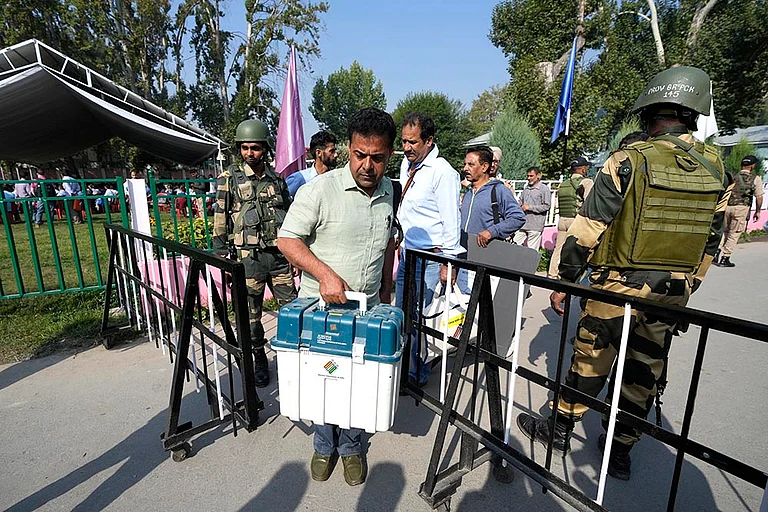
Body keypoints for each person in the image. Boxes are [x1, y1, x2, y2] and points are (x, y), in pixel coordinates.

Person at [517, 66, 730, 482]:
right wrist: (687, 289)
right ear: (692, 114)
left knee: (591, 359)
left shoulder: (627, 161)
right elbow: (710, 242)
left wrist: (562, 284)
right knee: (643, 373)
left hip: (617, 290)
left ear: (649, 113)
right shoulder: (715, 170)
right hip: (670, 294)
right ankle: (619, 453)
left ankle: (559, 431)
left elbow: (586, 230)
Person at [278, 107, 397, 487]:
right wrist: (324, 274)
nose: (367, 165)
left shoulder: (390, 189)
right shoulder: (319, 190)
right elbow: (287, 239)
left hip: (368, 310)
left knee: (358, 385)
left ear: (388, 155)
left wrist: (387, 289)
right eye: (359, 154)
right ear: (348, 148)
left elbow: (387, 244)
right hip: (323, 312)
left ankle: (350, 446)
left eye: (376, 158)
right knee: (325, 383)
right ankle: (323, 444)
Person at [212, 118, 297, 388]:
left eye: (256, 148)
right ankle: (259, 358)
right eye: (246, 148)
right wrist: (222, 254)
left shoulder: (277, 179)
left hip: (279, 257)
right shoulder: (229, 179)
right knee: (250, 316)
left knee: (291, 311)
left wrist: (295, 255)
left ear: (265, 149)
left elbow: (291, 217)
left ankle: (290, 360)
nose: (250, 153)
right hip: (248, 259)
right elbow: (220, 216)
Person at [395, 112, 464, 387]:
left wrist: (449, 262)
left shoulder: (443, 172)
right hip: (408, 254)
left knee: (424, 318)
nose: (407, 147)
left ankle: (417, 372)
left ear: (429, 141)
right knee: (402, 314)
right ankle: (404, 368)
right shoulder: (406, 164)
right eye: (404, 142)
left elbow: (451, 221)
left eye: (412, 142)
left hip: (432, 258)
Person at [457, 146, 526, 294]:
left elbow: (518, 217)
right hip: (465, 260)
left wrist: (492, 231)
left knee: (484, 306)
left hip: (487, 258)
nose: (465, 168)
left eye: (471, 164)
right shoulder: (469, 192)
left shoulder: (499, 190)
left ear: (484, 167)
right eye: (465, 164)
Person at [547, 157, 594, 279]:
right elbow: (589, 202)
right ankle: (572, 275)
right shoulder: (586, 182)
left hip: (562, 219)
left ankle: (552, 273)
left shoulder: (564, 184)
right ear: (583, 169)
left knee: (559, 248)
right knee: (576, 249)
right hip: (576, 220)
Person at [714, 155, 763, 267]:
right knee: (734, 233)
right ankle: (725, 258)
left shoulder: (733, 177)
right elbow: (759, 197)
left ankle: (716, 253)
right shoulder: (755, 179)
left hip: (727, 207)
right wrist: (758, 211)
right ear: (752, 166)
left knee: (725, 231)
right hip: (741, 208)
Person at [285, 130, 339, 199]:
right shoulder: (299, 179)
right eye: (331, 151)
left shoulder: (335, 178)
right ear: (319, 153)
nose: (336, 155)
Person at [513, 166, 551, 250]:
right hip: (522, 224)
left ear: (538, 176)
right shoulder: (526, 188)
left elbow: (547, 206)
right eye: (528, 176)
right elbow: (521, 200)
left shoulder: (544, 189)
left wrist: (530, 207)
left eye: (531, 176)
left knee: (531, 251)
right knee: (513, 245)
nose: (529, 178)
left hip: (535, 226)